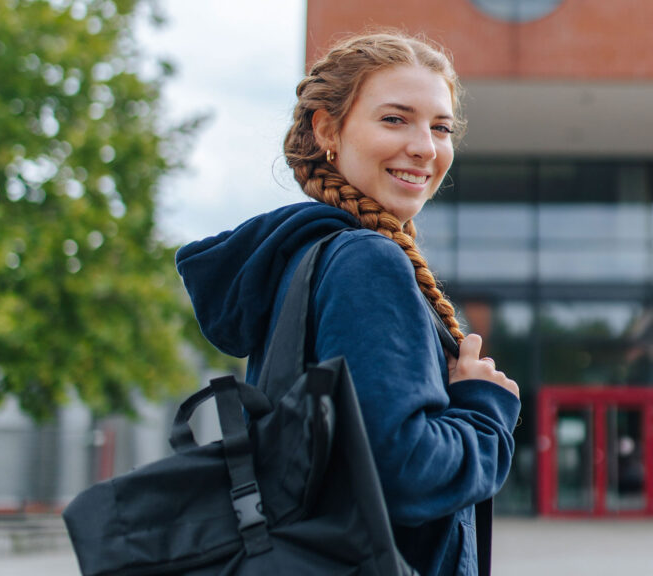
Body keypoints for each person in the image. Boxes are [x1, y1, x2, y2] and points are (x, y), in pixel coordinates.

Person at [175, 31, 521, 576]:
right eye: (395, 119)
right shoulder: (366, 262)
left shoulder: (303, 260)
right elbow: (403, 476)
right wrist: (483, 409)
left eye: (440, 127)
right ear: (327, 130)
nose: (425, 147)